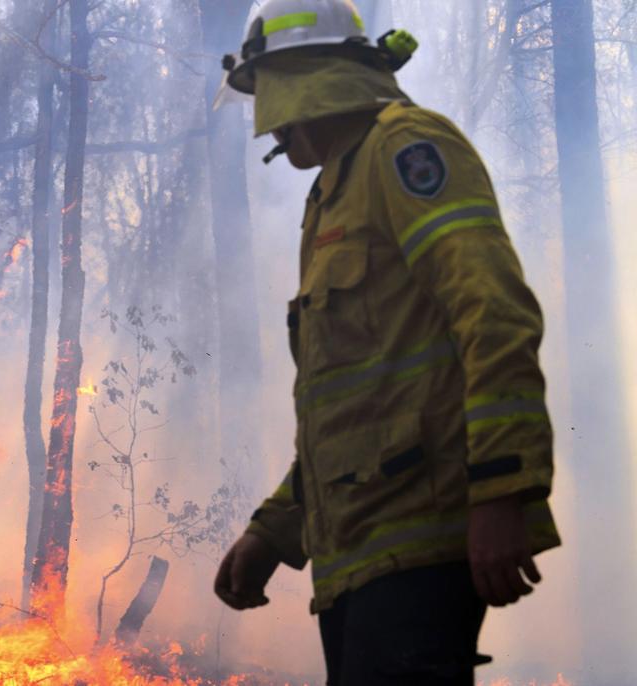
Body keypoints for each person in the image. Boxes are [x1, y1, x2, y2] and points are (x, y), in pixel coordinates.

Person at [211, 1, 561, 684]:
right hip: (359, 556)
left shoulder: (404, 149)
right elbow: (355, 401)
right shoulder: (331, 198)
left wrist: (499, 493)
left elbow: (494, 313)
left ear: (306, 80)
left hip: (423, 539)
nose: (272, 126)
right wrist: (276, 530)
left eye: (273, 97)